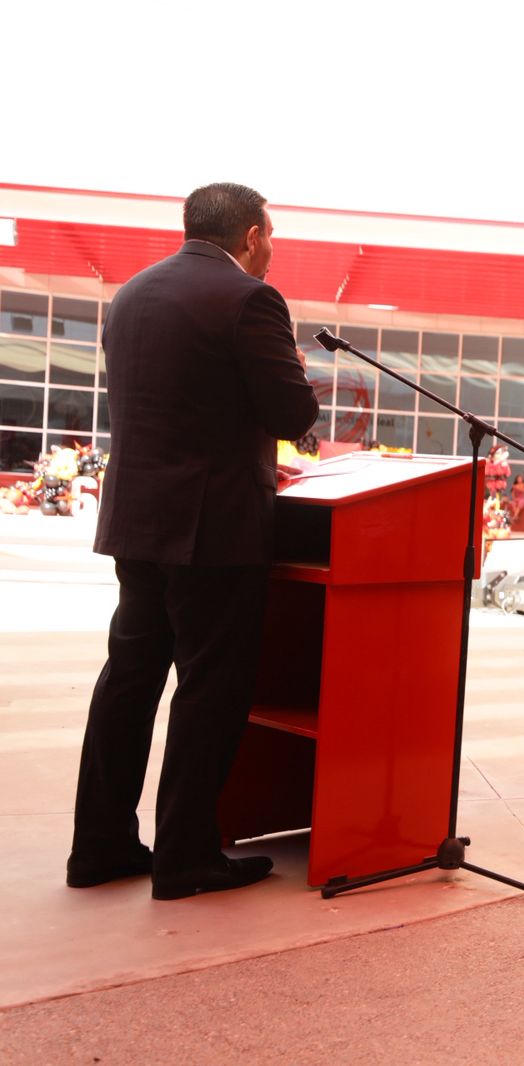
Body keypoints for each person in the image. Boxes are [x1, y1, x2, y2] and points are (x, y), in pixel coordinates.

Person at [70, 183, 319, 900]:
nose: (271, 252)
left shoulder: (133, 294)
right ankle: (186, 857)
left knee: (129, 680)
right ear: (251, 235)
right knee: (210, 690)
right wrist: (296, 372)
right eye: (270, 238)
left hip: (138, 522)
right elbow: (292, 411)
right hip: (213, 530)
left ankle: (99, 847)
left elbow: (179, 406)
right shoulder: (250, 299)